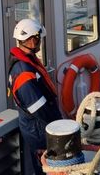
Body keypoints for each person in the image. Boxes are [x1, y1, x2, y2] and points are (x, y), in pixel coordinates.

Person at [8, 18, 62, 175]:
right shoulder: (23, 72)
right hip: (40, 132)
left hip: (37, 128)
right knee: (46, 169)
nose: (40, 42)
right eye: (38, 39)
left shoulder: (24, 62)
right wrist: (60, 128)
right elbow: (39, 108)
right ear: (32, 40)